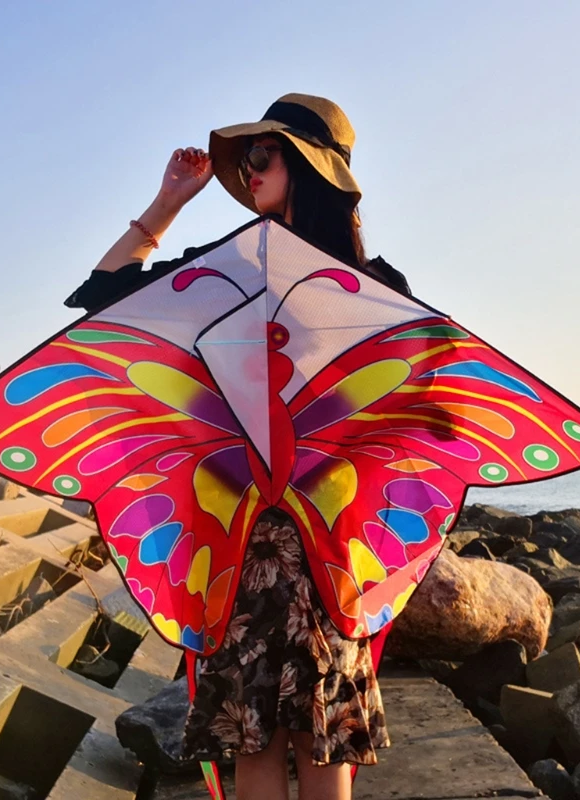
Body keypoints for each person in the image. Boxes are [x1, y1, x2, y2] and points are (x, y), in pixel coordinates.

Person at [65, 93, 411, 800]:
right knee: (263, 740)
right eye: (248, 156)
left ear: (309, 167)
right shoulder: (230, 273)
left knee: (316, 741)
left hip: (322, 545)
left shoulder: (376, 290)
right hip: (253, 541)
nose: (249, 170)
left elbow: (415, 412)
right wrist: (167, 203)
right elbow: (105, 296)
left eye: (263, 154)